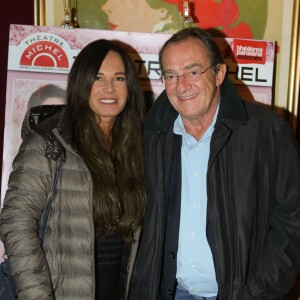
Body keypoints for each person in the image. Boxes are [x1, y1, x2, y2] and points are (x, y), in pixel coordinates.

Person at [129, 27, 300, 299]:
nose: (181, 85)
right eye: (171, 76)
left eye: (193, 72)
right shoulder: (151, 136)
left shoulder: (267, 133)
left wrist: (256, 293)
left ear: (219, 74)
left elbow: (293, 222)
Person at [0, 39, 146, 299]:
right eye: (98, 78)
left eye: (119, 78)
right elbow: (17, 224)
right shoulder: (50, 141)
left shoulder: (134, 148)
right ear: (81, 83)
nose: (109, 88)